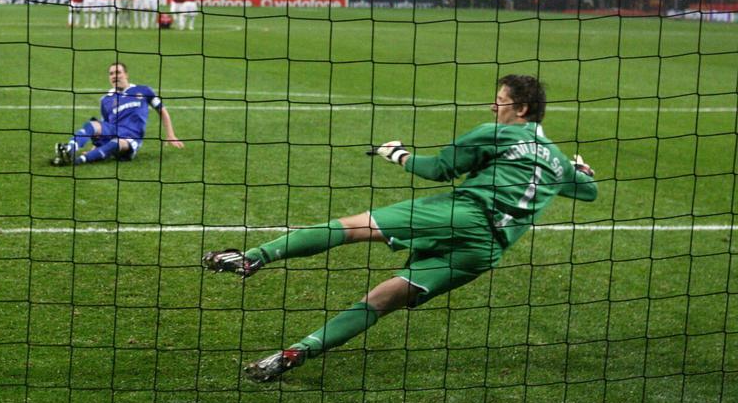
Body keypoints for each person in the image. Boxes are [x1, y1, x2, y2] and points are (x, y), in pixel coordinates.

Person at [203, 74, 599, 382]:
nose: (494, 108)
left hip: (463, 214)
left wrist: (396, 153)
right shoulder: (557, 161)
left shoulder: (499, 133)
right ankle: (294, 354)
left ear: (523, 109)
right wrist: (581, 170)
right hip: (484, 252)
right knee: (381, 300)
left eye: (500, 102)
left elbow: (439, 170)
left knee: (350, 228)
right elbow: (589, 190)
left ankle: (252, 258)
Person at [52, 62, 184, 166]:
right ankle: (69, 149)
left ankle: (78, 160)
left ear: (126, 74)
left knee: (117, 143)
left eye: (118, 72)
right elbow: (104, 126)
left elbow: (162, 110)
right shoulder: (106, 99)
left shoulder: (144, 90)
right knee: (92, 125)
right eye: (111, 74)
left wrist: (170, 134)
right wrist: (95, 147)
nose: (114, 76)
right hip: (114, 130)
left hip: (131, 137)